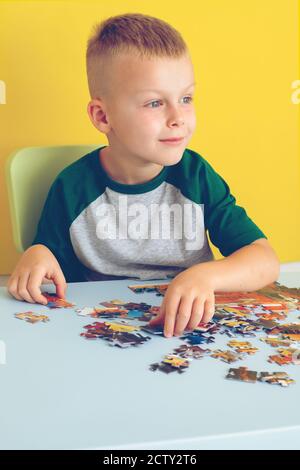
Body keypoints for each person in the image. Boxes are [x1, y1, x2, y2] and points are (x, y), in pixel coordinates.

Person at [7, 13, 280, 337]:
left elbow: (265, 260)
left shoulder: (196, 177)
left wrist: (204, 277)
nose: (178, 117)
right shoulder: (73, 187)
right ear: (103, 116)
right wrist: (37, 255)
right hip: (102, 330)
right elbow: (48, 255)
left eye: (186, 98)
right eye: (154, 103)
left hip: (187, 327)